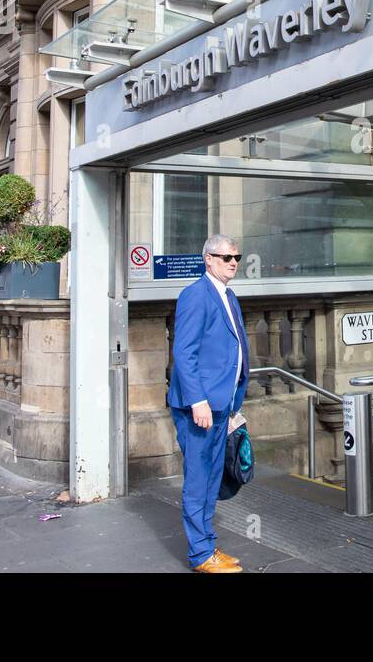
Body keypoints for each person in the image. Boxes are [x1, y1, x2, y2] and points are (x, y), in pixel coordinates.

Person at [167, 234, 249, 574]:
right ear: (208, 260)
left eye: (236, 257)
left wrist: (232, 402)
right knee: (199, 480)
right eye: (225, 256)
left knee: (213, 477)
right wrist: (198, 401)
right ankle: (201, 555)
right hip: (199, 407)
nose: (232, 262)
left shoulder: (228, 297)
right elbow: (184, 353)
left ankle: (208, 546)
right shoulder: (195, 296)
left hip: (221, 405)